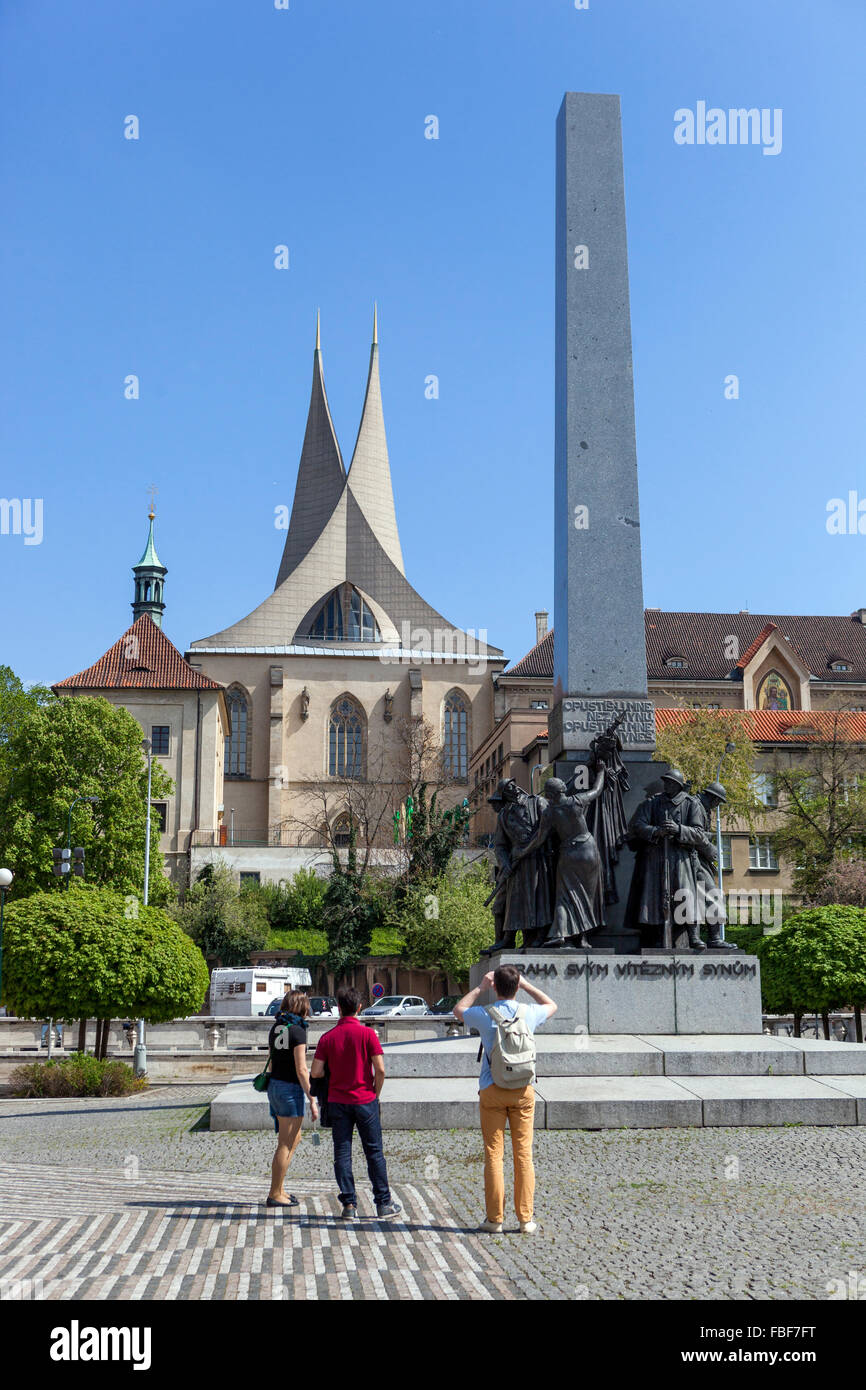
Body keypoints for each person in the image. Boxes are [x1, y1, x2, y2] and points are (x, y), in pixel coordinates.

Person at [454, 964, 557, 1235]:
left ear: (496, 986)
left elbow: (458, 1010)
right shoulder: (530, 1013)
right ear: (517, 986)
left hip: (492, 1088)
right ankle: (526, 1220)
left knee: (493, 1155)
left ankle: (495, 1219)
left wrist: (480, 987)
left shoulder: (485, 1014)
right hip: (523, 1089)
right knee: (524, 1155)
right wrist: (526, 985)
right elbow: (552, 1005)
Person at [310, 987, 401, 1221]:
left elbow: (316, 1072)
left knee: (342, 1153)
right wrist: (375, 1092)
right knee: (374, 1153)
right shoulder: (368, 1035)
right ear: (359, 1008)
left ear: (339, 1008)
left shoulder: (327, 1038)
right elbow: (380, 1069)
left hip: (338, 1101)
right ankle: (383, 1203)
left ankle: (349, 1204)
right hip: (365, 1099)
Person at [512, 770, 605, 947]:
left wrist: (522, 852)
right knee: (587, 897)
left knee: (564, 896)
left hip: (568, 854)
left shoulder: (549, 813)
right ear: (562, 790)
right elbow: (597, 789)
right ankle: (583, 939)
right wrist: (600, 771)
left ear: (549, 794)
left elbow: (539, 839)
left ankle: (561, 933)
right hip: (588, 850)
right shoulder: (577, 801)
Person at [266, 989, 318, 1208]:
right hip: (289, 1088)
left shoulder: (276, 1027)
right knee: (286, 1144)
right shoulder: (297, 1031)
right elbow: (301, 1068)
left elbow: (271, 1059)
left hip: (275, 1086)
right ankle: (274, 1193)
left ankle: (280, 1189)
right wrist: (312, 1097)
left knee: (291, 1140)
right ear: (302, 1007)